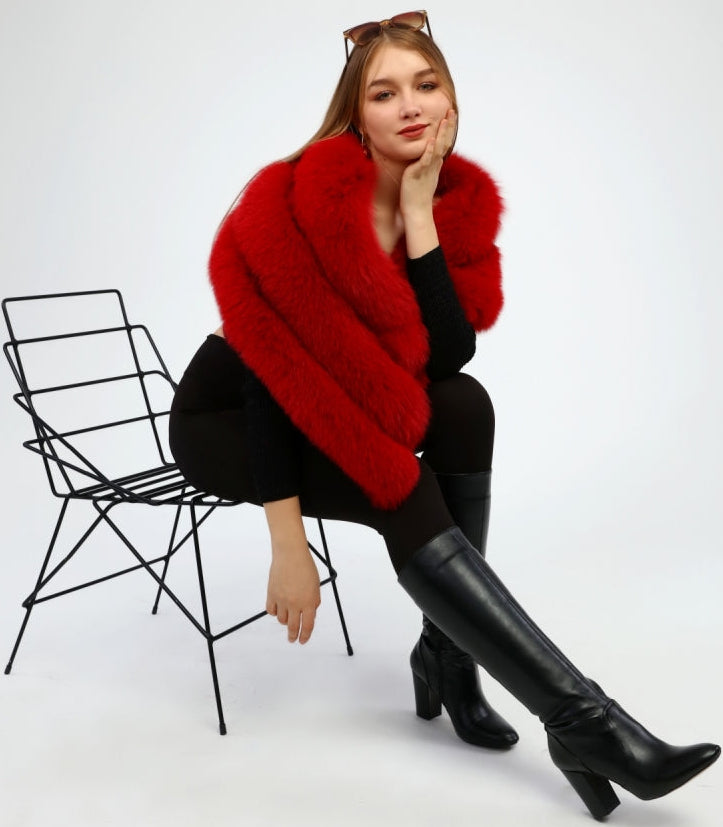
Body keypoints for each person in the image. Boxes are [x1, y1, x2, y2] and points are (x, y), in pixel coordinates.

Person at [168, 11, 719, 819]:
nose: (409, 106)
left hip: (331, 399)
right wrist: (288, 543)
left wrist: (420, 217)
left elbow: (448, 353)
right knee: (401, 488)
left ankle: (448, 660)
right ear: (357, 112)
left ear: (452, 99)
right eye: (384, 92)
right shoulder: (304, 199)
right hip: (230, 418)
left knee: (463, 407)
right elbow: (271, 378)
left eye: (426, 85)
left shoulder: (447, 201)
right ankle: (581, 722)